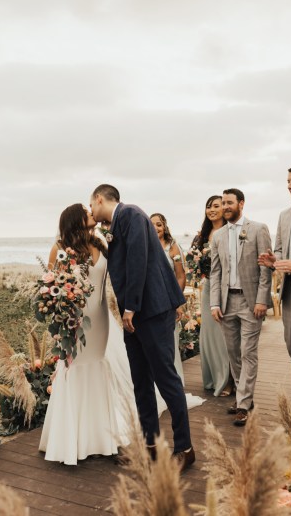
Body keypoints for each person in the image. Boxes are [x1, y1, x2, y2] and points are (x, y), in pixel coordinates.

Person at [39, 203, 168, 465]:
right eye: (87, 213)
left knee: (98, 365)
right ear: (76, 220)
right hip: (74, 320)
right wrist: (60, 314)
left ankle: (99, 438)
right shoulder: (60, 248)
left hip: (100, 318)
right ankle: (72, 439)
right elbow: (48, 285)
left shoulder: (99, 243)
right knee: (74, 368)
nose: (92, 214)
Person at [90, 185, 195, 471]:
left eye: (91, 205)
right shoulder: (117, 222)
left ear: (99, 199)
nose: (91, 212)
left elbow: (138, 262)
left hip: (151, 309)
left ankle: (185, 448)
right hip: (135, 314)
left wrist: (130, 308)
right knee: (140, 379)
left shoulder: (132, 215)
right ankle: (150, 445)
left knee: (166, 378)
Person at [210, 188, 272, 426]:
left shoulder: (258, 229)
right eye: (222, 203)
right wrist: (215, 302)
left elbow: (265, 268)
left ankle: (244, 403)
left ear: (241, 204)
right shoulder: (218, 236)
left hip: (250, 301)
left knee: (248, 352)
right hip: (226, 302)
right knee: (233, 352)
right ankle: (243, 394)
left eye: (229, 203)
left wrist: (261, 299)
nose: (225, 207)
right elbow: (216, 272)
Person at [258, 165, 291, 413]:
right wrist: (273, 260)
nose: (289, 186)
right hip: (288, 294)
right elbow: (279, 248)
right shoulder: (285, 215)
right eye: (287, 181)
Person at [191, 196, 233, 397]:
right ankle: (213, 378)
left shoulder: (230, 233)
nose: (212, 210)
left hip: (227, 287)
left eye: (216, 206)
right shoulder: (201, 236)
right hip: (208, 287)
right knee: (208, 334)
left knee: (224, 335)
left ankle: (227, 380)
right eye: (209, 207)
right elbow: (194, 265)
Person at [150, 212, 186, 384]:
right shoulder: (145, 245)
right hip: (152, 303)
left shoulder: (172, 247)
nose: (156, 227)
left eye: (159, 224)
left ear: (164, 227)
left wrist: (177, 303)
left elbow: (180, 276)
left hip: (170, 301)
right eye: (152, 224)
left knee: (170, 343)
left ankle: (173, 381)